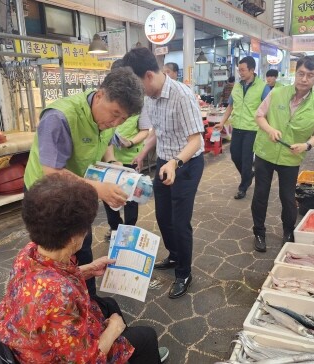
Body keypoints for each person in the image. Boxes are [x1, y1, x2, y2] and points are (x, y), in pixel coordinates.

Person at [0, 174, 169, 364]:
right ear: (73, 238)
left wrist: (86, 270)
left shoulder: (29, 252)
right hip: (53, 356)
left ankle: (131, 355)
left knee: (109, 304)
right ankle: (138, 352)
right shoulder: (58, 295)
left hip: (33, 336)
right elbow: (86, 361)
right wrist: (113, 330)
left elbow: (52, 275)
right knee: (146, 336)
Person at [23, 67, 144, 296]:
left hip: (77, 191)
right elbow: (52, 172)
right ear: (99, 95)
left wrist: (113, 163)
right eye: (115, 113)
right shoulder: (59, 117)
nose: (116, 122)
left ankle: (86, 300)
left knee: (82, 245)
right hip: (45, 197)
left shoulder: (106, 117)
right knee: (54, 253)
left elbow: (107, 139)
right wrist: (99, 189)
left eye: (123, 119)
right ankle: (55, 302)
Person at [122, 47, 204, 299]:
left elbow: (196, 140)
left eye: (136, 83)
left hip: (186, 165)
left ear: (148, 75)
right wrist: (143, 152)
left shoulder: (182, 95)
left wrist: (175, 163)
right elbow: (156, 132)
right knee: (163, 217)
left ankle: (184, 273)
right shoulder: (150, 98)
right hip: (164, 162)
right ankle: (174, 254)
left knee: (180, 222)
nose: (137, 91)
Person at [251, 55, 314, 253]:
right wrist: (270, 130)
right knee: (260, 194)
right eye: (301, 73)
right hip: (265, 152)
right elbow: (259, 116)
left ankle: (288, 231)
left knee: (287, 197)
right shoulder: (277, 93)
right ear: (296, 73)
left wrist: (306, 145)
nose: (304, 79)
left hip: (291, 157)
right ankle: (259, 232)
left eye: (310, 75)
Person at [103, 60, 150, 242]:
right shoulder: (105, 100)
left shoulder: (139, 102)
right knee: (109, 196)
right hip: (108, 159)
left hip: (130, 158)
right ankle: (115, 228)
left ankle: (129, 230)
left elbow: (145, 131)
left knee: (131, 197)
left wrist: (130, 142)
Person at [215, 56, 267, 200]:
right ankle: (248, 175)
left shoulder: (263, 87)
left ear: (252, 70)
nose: (241, 73)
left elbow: (268, 108)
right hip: (237, 126)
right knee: (235, 155)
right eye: (239, 70)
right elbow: (230, 106)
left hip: (252, 128)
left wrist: (268, 128)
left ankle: (243, 186)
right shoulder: (237, 86)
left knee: (246, 158)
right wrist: (222, 122)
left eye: (243, 70)